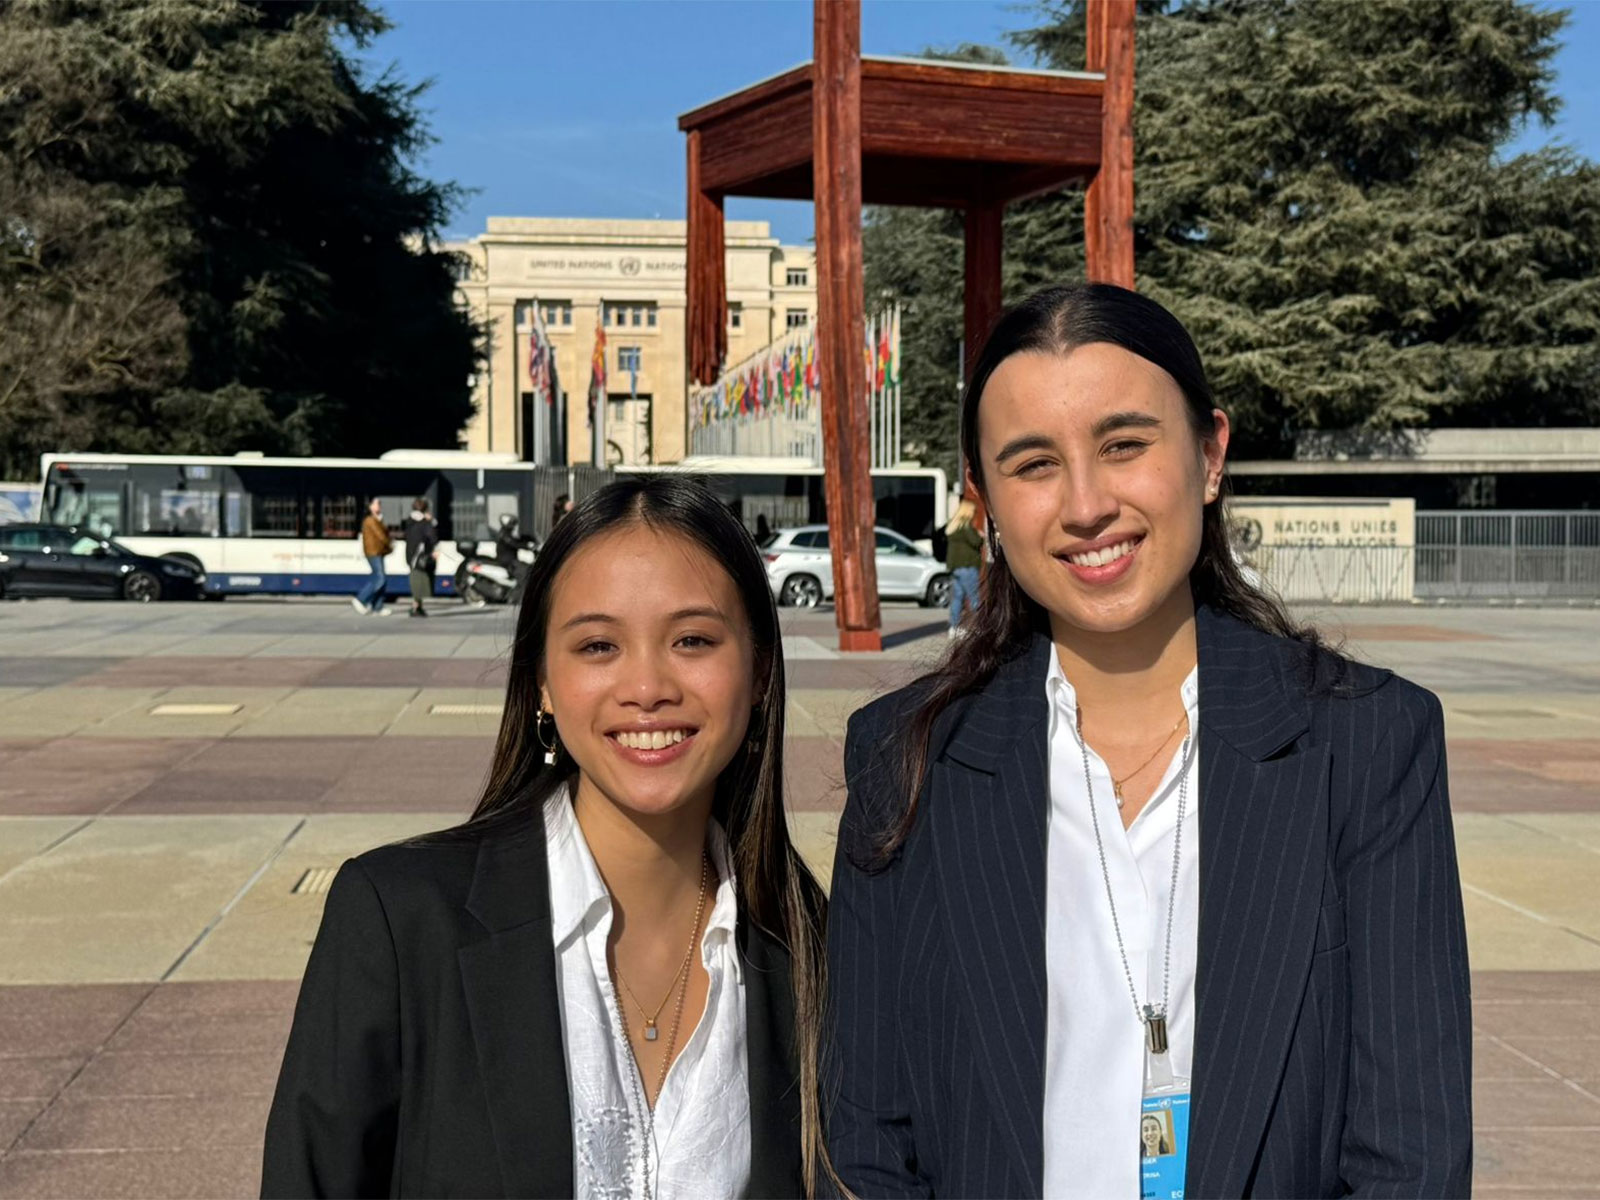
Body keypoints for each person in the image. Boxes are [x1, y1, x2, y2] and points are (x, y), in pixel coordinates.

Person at [826, 284, 1471, 1198]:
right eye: (1034, 464)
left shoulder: (1368, 745)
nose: (1087, 505)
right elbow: (863, 1141)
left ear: (1209, 455)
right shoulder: (907, 759)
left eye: (1124, 445)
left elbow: (1412, 1158)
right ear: (985, 501)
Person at [262, 477, 830, 1199]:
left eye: (693, 640)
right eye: (598, 645)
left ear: (759, 671)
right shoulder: (402, 920)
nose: (647, 686)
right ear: (543, 684)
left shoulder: (812, 950)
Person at [942, 498, 983, 638]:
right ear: (967, 512)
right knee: (974, 598)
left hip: (955, 567)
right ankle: (978, 628)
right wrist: (980, 536)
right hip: (967, 566)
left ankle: (954, 628)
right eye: (973, 512)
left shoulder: (952, 527)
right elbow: (976, 542)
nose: (974, 514)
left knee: (957, 598)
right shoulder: (966, 527)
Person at [353, 498, 391, 615]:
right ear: (370, 507)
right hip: (373, 552)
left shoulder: (377, 519)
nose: (379, 505)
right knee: (380, 578)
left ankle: (378, 607)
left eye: (379, 503)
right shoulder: (370, 520)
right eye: (376, 503)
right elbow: (381, 535)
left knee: (381, 579)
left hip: (379, 551)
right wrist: (390, 544)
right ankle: (360, 599)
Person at [404, 497, 439, 618]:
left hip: (410, 556)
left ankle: (418, 606)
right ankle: (416, 607)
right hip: (421, 556)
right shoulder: (425, 523)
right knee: (420, 581)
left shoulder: (409, 521)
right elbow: (433, 538)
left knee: (416, 580)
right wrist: (431, 521)